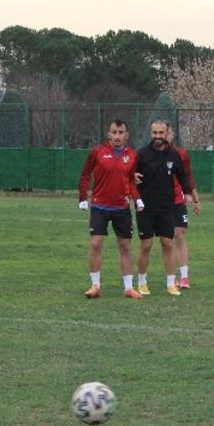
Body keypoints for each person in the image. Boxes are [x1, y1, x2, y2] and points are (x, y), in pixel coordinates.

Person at [77, 118, 143, 299]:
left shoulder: (133, 155)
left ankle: (128, 288)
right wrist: (83, 196)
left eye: (121, 133)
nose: (117, 136)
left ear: (127, 135)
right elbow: (85, 174)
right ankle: (95, 285)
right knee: (95, 244)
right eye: (114, 132)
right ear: (108, 134)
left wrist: (137, 199)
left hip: (122, 208)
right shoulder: (97, 152)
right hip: (99, 206)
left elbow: (131, 179)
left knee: (125, 247)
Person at [133, 120, 194, 297]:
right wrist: (133, 176)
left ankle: (170, 283)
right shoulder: (141, 154)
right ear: (150, 133)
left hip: (167, 207)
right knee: (146, 245)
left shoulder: (174, 155)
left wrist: (188, 194)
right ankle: (142, 282)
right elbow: (130, 173)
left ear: (167, 133)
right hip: (145, 208)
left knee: (168, 244)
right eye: (154, 133)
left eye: (161, 133)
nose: (158, 136)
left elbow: (182, 176)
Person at [166, 130, 201, 289]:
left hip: (178, 201)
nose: (165, 136)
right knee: (165, 241)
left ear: (171, 134)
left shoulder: (181, 154)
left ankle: (184, 278)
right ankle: (171, 277)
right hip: (160, 203)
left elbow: (188, 176)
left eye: (168, 133)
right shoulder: (150, 154)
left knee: (179, 235)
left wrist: (195, 199)